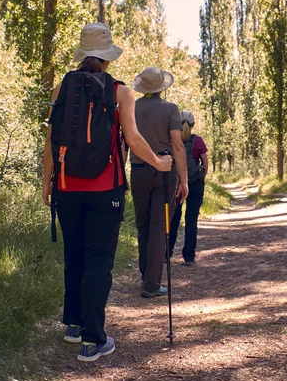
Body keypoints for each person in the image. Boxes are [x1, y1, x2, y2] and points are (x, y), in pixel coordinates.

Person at [42, 23, 172, 362]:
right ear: (108, 58)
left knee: (75, 256)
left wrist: (47, 182)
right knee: (98, 262)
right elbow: (133, 140)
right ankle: (93, 339)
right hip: (105, 190)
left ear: (82, 55)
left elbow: (50, 142)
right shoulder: (120, 92)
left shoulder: (60, 89)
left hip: (66, 188)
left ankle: (73, 325)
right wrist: (159, 163)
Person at [130, 67, 188, 298]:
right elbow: (178, 145)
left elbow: (126, 142)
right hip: (165, 173)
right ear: (161, 88)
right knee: (159, 226)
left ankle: (146, 274)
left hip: (138, 171)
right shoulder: (170, 109)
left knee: (143, 225)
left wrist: (121, 176)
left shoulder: (131, 107)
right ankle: (152, 283)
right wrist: (184, 180)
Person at [168, 110, 208, 266]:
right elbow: (205, 163)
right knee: (191, 219)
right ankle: (189, 257)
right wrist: (200, 178)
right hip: (195, 184)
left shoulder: (172, 140)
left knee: (173, 219)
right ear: (193, 125)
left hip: (177, 184)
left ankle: (167, 253)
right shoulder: (198, 141)